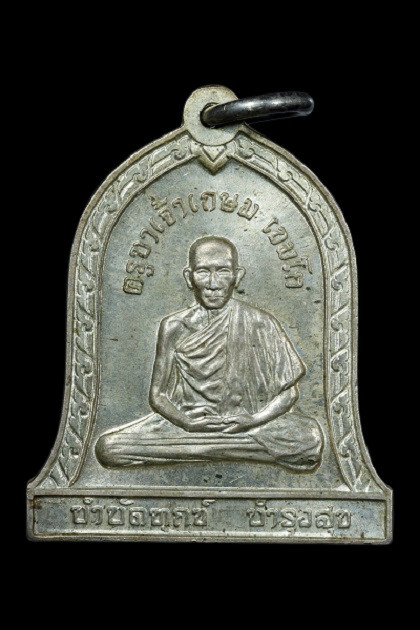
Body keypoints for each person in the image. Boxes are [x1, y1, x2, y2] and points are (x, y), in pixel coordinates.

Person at [96, 236, 323, 470]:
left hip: (248, 425)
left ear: (237, 276)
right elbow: (158, 396)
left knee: (308, 438)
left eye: (223, 271)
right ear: (189, 277)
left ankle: (206, 449)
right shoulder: (174, 326)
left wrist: (253, 420)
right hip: (187, 425)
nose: (213, 284)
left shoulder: (260, 322)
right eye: (203, 272)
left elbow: (289, 394)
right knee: (109, 448)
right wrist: (187, 423)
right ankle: (234, 451)